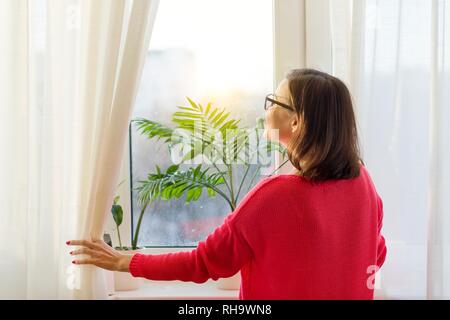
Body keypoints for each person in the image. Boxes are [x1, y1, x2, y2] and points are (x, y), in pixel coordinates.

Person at [68, 68, 387, 300]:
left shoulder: (274, 195)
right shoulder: (364, 182)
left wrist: (124, 261)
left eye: (275, 101)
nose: (268, 109)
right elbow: (376, 251)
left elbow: (203, 263)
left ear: (296, 120)